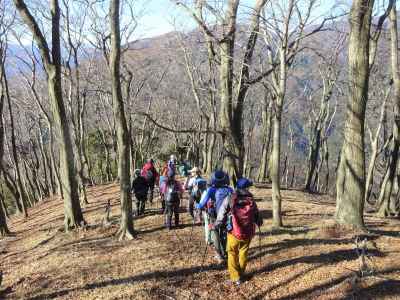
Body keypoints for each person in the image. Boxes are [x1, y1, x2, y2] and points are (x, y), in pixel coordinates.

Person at [212, 178, 263, 285]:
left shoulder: (231, 198)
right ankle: (241, 274)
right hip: (248, 232)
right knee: (243, 252)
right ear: (247, 188)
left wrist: (217, 224)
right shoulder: (251, 200)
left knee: (232, 253)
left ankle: (235, 277)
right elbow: (257, 216)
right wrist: (259, 222)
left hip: (233, 231)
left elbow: (221, 213)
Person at [196, 170, 233, 262]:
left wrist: (197, 206)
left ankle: (219, 255)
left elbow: (202, 204)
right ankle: (226, 252)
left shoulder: (211, 190)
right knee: (224, 232)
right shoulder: (230, 190)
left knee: (214, 232)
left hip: (214, 214)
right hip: (226, 215)